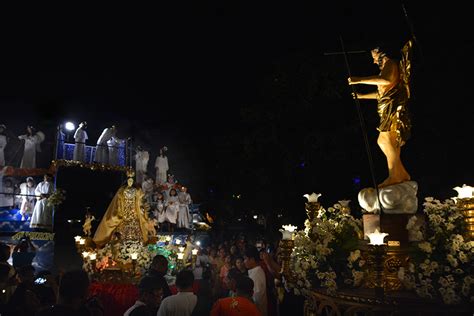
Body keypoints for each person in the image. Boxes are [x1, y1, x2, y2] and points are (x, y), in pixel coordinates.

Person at [348, 40, 413, 187]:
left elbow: (386, 80)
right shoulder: (387, 66)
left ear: (381, 52)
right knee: (389, 141)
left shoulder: (390, 63)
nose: (373, 60)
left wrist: (359, 80)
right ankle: (400, 173)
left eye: (374, 56)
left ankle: (395, 174)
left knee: (384, 141)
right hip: (387, 107)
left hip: (392, 108)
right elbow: (381, 93)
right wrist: (362, 96)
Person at [92, 168, 149, 247]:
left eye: (131, 181)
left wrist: (141, 207)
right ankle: (120, 242)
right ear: (127, 181)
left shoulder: (137, 190)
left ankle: (137, 242)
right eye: (129, 181)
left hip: (134, 210)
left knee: (136, 225)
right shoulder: (122, 190)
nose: (130, 182)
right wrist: (120, 209)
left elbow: (140, 200)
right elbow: (118, 201)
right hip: (124, 210)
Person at [244, 246, 267, 316]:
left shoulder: (256, 273)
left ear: (252, 259)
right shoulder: (255, 271)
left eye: (245, 259)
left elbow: (256, 297)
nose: (244, 262)